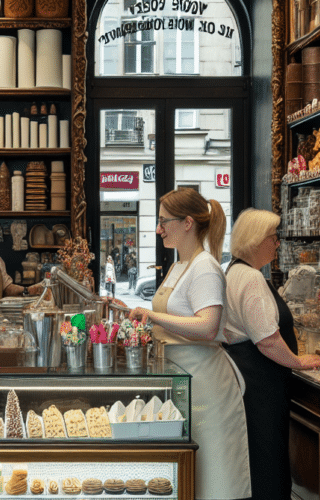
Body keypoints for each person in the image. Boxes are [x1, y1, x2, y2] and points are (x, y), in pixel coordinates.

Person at [128, 187, 251, 500]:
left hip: (207, 384)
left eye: (163, 221)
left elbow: (208, 326)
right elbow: (173, 316)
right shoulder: (179, 265)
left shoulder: (205, 266)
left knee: (214, 479)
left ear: (186, 223)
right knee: (189, 478)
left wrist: (152, 316)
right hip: (185, 379)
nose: (158, 229)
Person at [223, 208, 320, 500]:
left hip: (250, 384)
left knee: (255, 459)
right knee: (267, 460)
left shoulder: (235, 271)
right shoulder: (251, 279)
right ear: (256, 240)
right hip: (262, 386)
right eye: (273, 237)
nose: (277, 243)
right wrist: (297, 361)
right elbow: (266, 339)